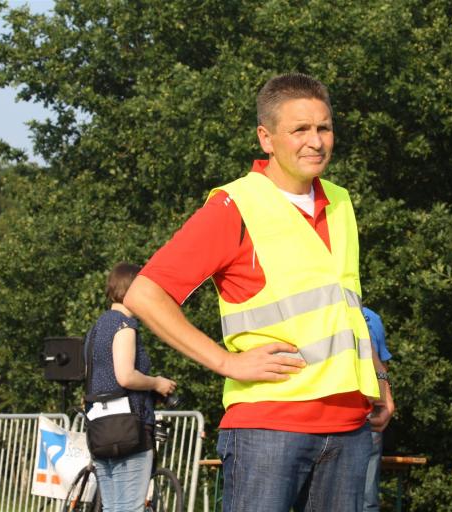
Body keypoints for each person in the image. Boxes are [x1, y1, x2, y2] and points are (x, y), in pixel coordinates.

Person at [123, 73, 394, 512]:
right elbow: (144, 293)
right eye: (300, 129)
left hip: (350, 426)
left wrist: (379, 379)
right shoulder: (235, 205)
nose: (316, 141)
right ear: (266, 138)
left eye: (324, 128)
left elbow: (346, 307)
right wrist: (225, 361)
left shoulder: (341, 202)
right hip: (269, 428)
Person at [85, 262, 177, 512]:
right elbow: (125, 377)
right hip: (129, 429)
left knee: (112, 507)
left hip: (99, 429)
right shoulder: (124, 326)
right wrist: (157, 383)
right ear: (134, 290)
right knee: (129, 508)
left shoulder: (95, 330)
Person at [362, 306, 394, 511]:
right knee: (367, 498)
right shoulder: (371, 317)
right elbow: (383, 366)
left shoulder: (371, 318)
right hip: (367, 414)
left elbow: (382, 366)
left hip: (368, 416)